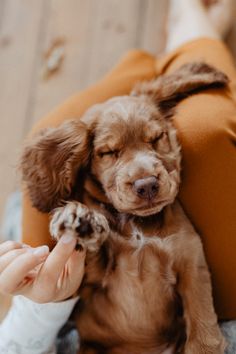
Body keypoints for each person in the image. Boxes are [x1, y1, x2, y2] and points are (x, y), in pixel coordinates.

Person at [0, 0, 236, 353]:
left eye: (104, 153)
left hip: (62, 313)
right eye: (110, 153)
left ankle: (179, 40)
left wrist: (42, 305)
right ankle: (189, 28)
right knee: (207, 129)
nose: (144, 178)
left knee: (58, 130)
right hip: (196, 325)